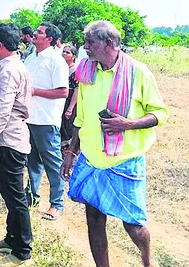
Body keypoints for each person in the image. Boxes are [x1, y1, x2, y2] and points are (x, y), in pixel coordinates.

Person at [62, 21, 168, 267]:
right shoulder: (86, 71)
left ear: (109, 43)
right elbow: (81, 116)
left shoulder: (138, 72)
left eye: (90, 42)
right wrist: (70, 151)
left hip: (124, 160)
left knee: (133, 224)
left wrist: (127, 124)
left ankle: (147, 259)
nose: (85, 47)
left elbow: (160, 114)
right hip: (91, 158)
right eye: (85, 42)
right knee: (94, 218)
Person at [0, 23, 34, 267]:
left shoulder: (9, 70)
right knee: (11, 195)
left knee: (15, 198)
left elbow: (2, 110)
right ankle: (12, 239)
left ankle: (22, 251)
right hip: (8, 139)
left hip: (7, 140)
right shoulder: (11, 66)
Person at [24, 22, 68, 221]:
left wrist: (35, 92)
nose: (35, 34)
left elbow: (63, 91)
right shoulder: (31, 57)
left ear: (49, 38)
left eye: (39, 32)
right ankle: (32, 197)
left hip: (46, 120)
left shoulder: (55, 60)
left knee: (52, 163)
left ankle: (57, 204)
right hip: (29, 118)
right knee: (32, 161)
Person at [60, 45, 79, 150]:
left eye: (68, 52)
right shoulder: (61, 67)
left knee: (68, 127)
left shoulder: (76, 70)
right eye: (63, 52)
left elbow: (77, 89)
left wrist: (70, 109)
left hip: (70, 100)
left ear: (73, 56)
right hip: (61, 100)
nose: (64, 54)